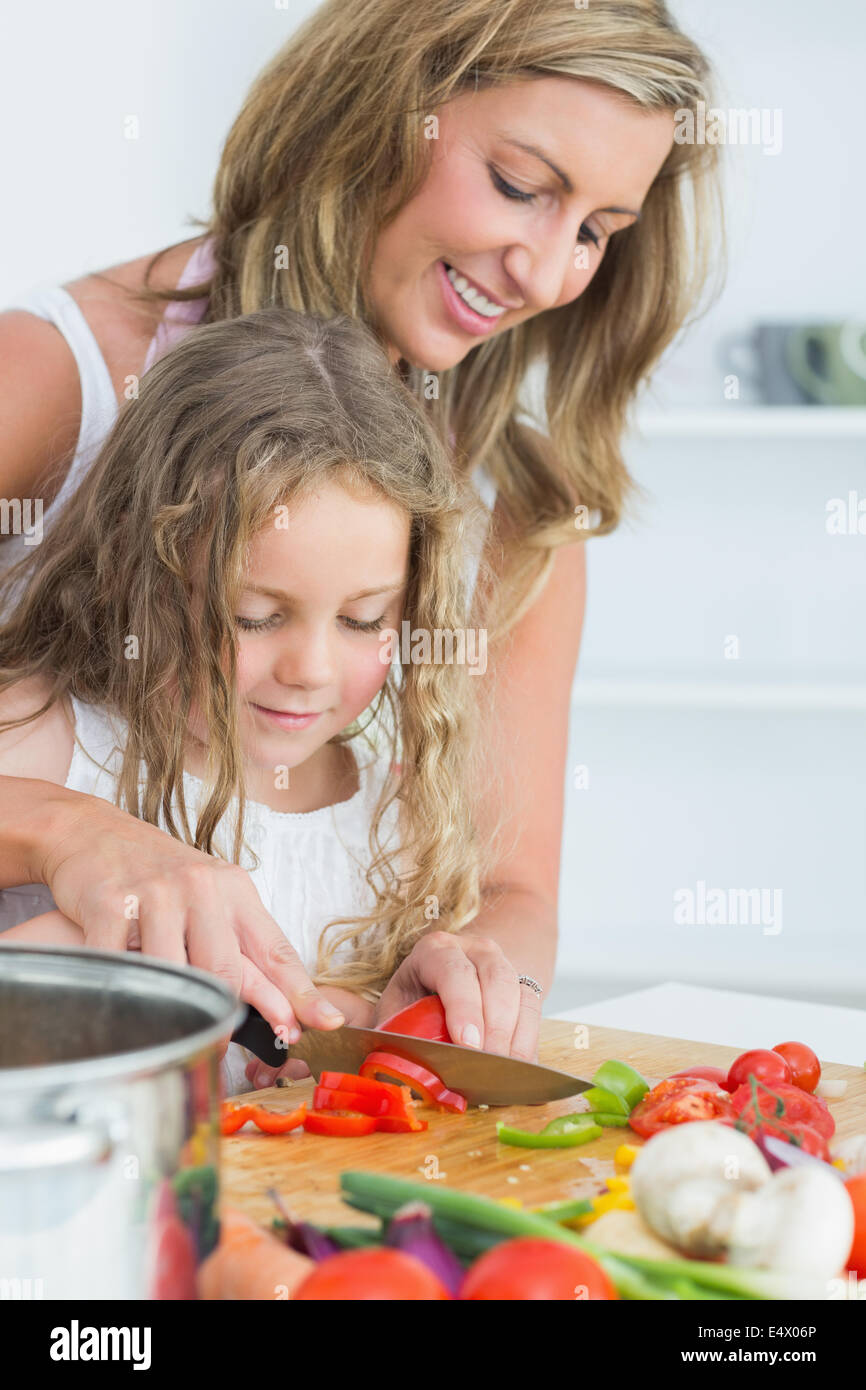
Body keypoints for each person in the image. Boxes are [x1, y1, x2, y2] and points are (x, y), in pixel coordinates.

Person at [0, 0, 723, 1068]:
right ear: (379, 114)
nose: (546, 271)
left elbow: (514, 891)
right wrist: (67, 832)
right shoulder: (59, 378)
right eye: (520, 187)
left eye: (594, 232)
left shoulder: (514, 511)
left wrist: (464, 974)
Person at [0, 306, 495, 1093]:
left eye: (364, 618)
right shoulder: (43, 740)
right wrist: (44, 962)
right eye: (253, 616)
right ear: (140, 573)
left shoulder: (389, 815)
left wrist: (373, 1022)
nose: (310, 669)